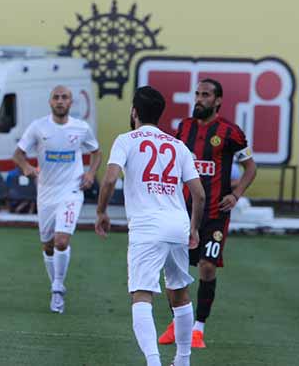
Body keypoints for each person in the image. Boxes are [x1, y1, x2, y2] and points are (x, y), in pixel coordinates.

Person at [96, 86, 206, 366]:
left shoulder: (126, 140)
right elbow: (199, 194)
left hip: (147, 227)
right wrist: (193, 228)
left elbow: (109, 180)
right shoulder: (178, 145)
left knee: (142, 295)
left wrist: (101, 212)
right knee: (180, 293)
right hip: (178, 225)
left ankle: (154, 362)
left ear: (134, 112)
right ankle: (182, 360)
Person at [157, 78, 257, 349]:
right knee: (176, 270)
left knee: (207, 266)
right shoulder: (184, 128)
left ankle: (198, 328)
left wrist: (235, 195)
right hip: (184, 212)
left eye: (206, 95)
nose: (199, 99)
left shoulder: (230, 132)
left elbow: (250, 168)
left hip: (214, 214)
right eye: (197, 94)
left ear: (218, 101)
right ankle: (178, 324)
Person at [11, 85, 102, 314]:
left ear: (71, 102)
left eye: (64, 98)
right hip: (46, 192)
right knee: (48, 245)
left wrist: (90, 173)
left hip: (71, 190)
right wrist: (26, 167)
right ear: (50, 102)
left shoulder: (81, 128)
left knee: (62, 241)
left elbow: (97, 152)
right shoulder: (38, 127)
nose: (60, 101)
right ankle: (56, 284)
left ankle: (58, 288)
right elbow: (18, 154)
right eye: (56, 98)